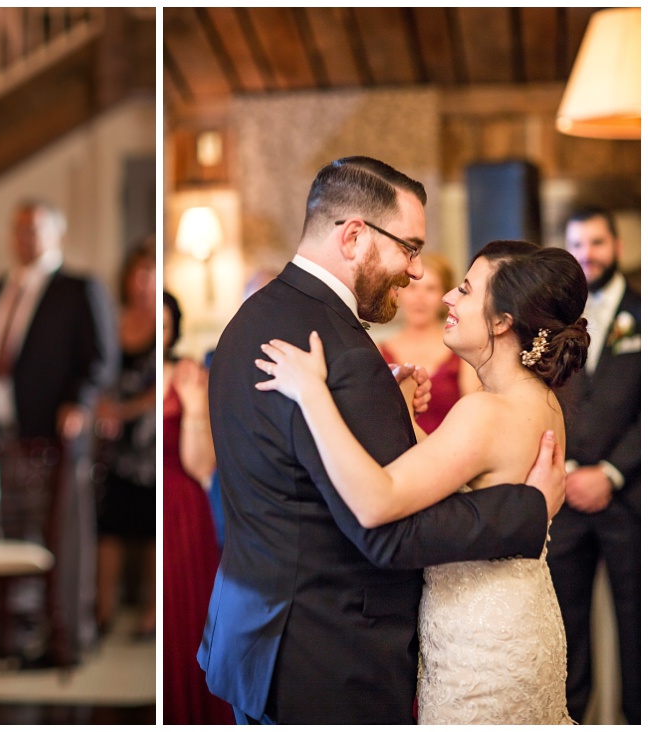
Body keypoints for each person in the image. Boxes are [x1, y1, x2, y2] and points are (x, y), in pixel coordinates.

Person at [197, 156, 565, 724]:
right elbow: (387, 532)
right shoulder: (342, 353)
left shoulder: (255, 318)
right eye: (409, 248)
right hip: (329, 656)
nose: (418, 274)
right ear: (353, 237)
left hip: (259, 635)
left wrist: (393, 411)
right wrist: (528, 508)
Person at [256, 240, 584, 723]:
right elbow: (464, 479)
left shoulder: (484, 413)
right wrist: (406, 417)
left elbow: (376, 499)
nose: (449, 297)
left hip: (478, 646)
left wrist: (311, 395)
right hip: (521, 622)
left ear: (501, 322)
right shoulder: (542, 401)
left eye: (467, 290)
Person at [0, 199, 116, 657]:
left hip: (55, 437)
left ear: (57, 233)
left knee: (60, 541)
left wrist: (79, 403)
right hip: (2, 436)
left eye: (33, 228)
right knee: (6, 536)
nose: (24, 237)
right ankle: (10, 634)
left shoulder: (77, 288)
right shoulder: (0, 287)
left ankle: (65, 636)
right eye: (18, 228)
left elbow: (101, 359)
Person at [551, 205, 640, 724]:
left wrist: (609, 472)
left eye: (597, 243)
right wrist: (564, 470)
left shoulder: (643, 312)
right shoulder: (551, 321)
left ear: (617, 247)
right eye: (577, 246)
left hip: (629, 497)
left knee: (639, 629)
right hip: (563, 498)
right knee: (565, 629)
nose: (588, 255)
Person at [154, 291, 231, 725]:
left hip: (181, 508)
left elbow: (202, 466)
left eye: (164, 325)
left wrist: (192, 409)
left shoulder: (188, 374)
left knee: (185, 620)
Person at [92, 243, 156, 638]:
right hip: (114, 444)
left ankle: (152, 613)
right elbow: (99, 374)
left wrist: (126, 411)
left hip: (149, 440)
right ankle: (103, 610)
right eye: (137, 273)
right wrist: (103, 409)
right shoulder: (114, 322)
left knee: (150, 528)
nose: (143, 282)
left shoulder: (161, 325)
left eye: (150, 273)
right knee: (110, 526)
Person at [378, 252, 476, 433]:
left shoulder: (463, 353)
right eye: (413, 288)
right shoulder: (376, 351)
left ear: (444, 296)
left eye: (430, 289)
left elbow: (476, 421)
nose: (420, 298)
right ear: (399, 293)